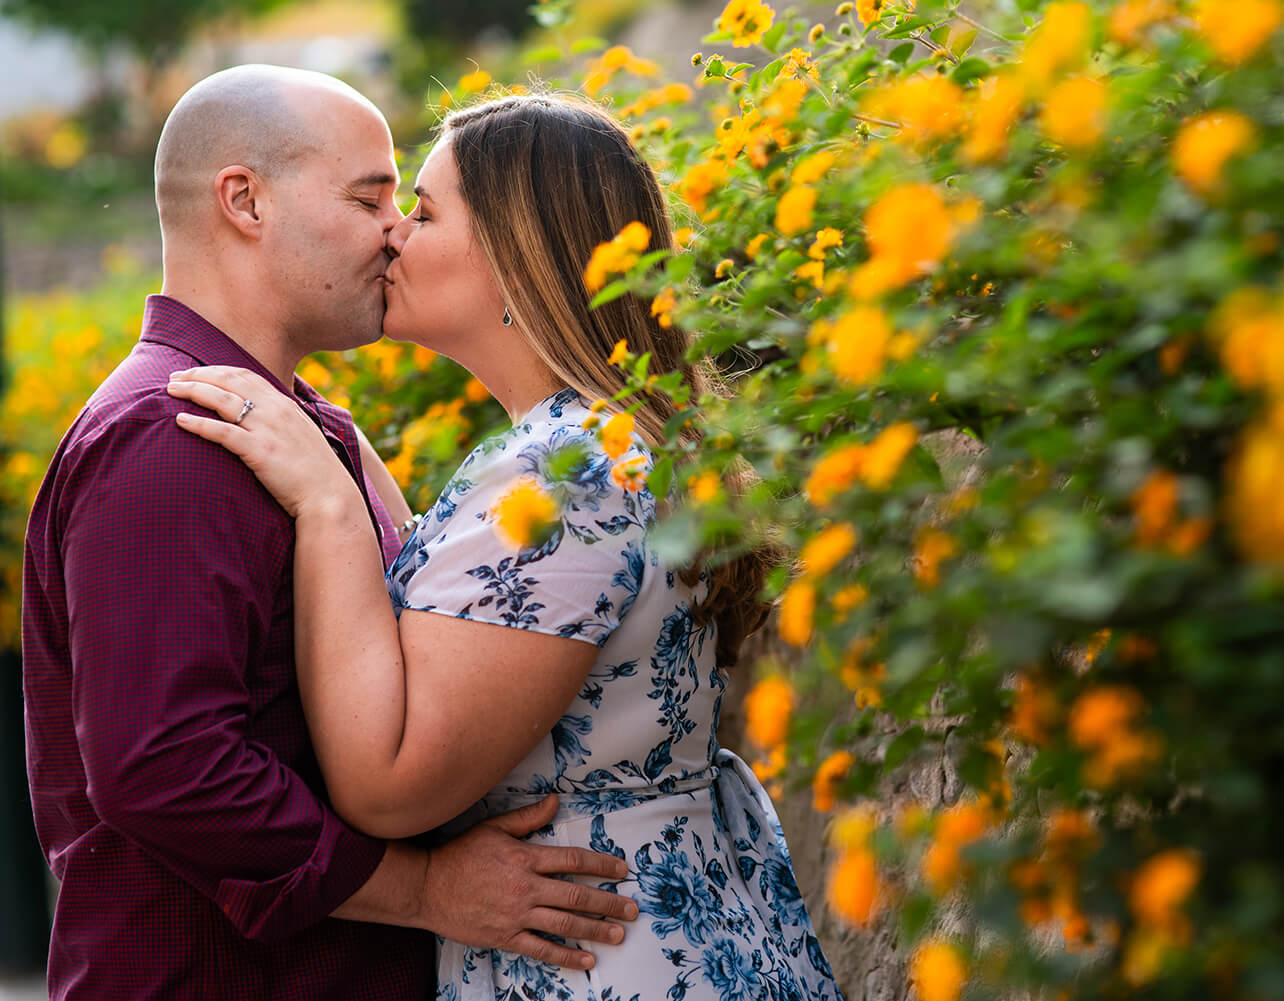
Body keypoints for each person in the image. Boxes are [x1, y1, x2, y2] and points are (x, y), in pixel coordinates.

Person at [166, 93, 845, 1001]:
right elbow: (470, 624)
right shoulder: (587, 441)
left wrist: (330, 507)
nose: (395, 235)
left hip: (597, 954)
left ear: (517, 257)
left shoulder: (565, 471)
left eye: (426, 211)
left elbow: (389, 784)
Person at [21, 67, 637, 1001]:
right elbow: (165, 768)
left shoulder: (297, 428)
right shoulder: (172, 437)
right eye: (368, 196)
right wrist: (425, 888)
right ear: (245, 201)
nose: (395, 229)